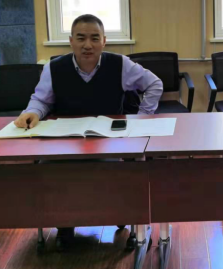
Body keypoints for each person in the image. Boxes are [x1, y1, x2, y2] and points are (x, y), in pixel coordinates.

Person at [14, 14, 163, 251]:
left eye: (94, 38)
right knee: (50, 169)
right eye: (81, 38)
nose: (87, 45)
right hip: (66, 141)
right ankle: (64, 224)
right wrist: (32, 112)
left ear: (104, 41)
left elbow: (154, 84)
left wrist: (141, 119)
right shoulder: (54, 68)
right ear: (71, 41)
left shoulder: (121, 64)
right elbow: (41, 100)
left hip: (108, 140)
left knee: (120, 169)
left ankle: (121, 212)